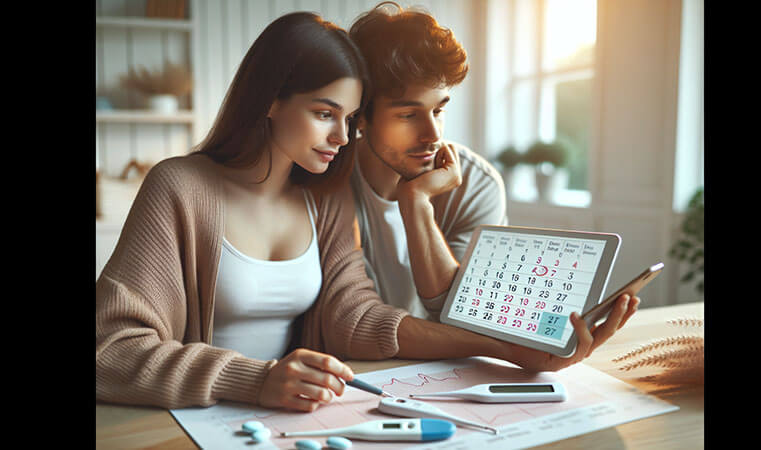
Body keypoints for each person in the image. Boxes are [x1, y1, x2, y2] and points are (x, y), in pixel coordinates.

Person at [96, 12, 405, 413]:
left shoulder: (326, 198)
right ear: (271, 100)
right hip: (189, 421)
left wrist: (488, 342)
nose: (342, 138)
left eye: (349, 119)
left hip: (286, 418)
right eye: (325, 114)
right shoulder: (178, 187)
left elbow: (357, 314)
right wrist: (255, 380)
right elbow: (109, 347)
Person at [346, 1, 641, 320]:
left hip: (454, 364)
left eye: (439, 110)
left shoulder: (476, 184)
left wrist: (415, 200)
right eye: (408, 114)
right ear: (360, 115)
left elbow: (456, 308)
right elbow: (349, 319)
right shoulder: (326, 180)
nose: (432, 134)